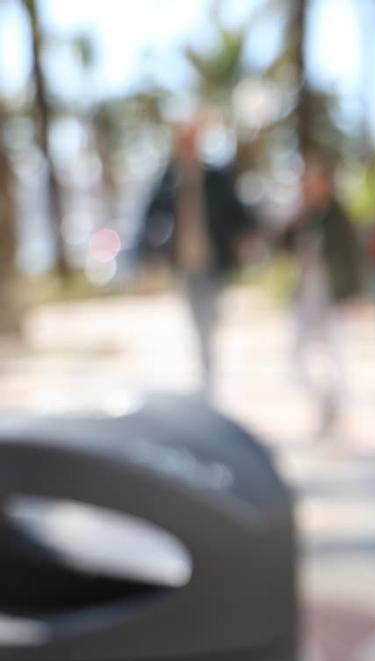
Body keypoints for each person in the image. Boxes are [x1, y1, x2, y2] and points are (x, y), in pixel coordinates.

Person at [139, 119, 255, 394]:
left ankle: (209, 370)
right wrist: (147, 257)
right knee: (196, 320)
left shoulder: (216, 177)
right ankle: (206, 376)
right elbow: (150, 219)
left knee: (210, 318)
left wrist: (245, 238)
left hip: (213, 262)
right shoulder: (169, 178)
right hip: (185, 264)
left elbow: (239, 213)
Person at [282, 157, 363, 437]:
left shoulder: (338, 218)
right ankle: (324, 401)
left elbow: (354, 256)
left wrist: (355, 293)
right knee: (296, 357)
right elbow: (284, 244)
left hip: (334, 294)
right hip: (306, 295)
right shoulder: (304, 216)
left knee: (336, 355)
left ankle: (337, 410)